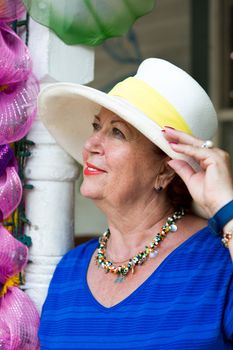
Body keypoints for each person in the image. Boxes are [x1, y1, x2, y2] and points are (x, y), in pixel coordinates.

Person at [38, 58, 233, 349]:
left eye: (117, 132)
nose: (91, 144)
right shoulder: (69, 270)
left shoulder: (219, 260)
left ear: (167, 169)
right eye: (96, 126)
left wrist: (226, 207)